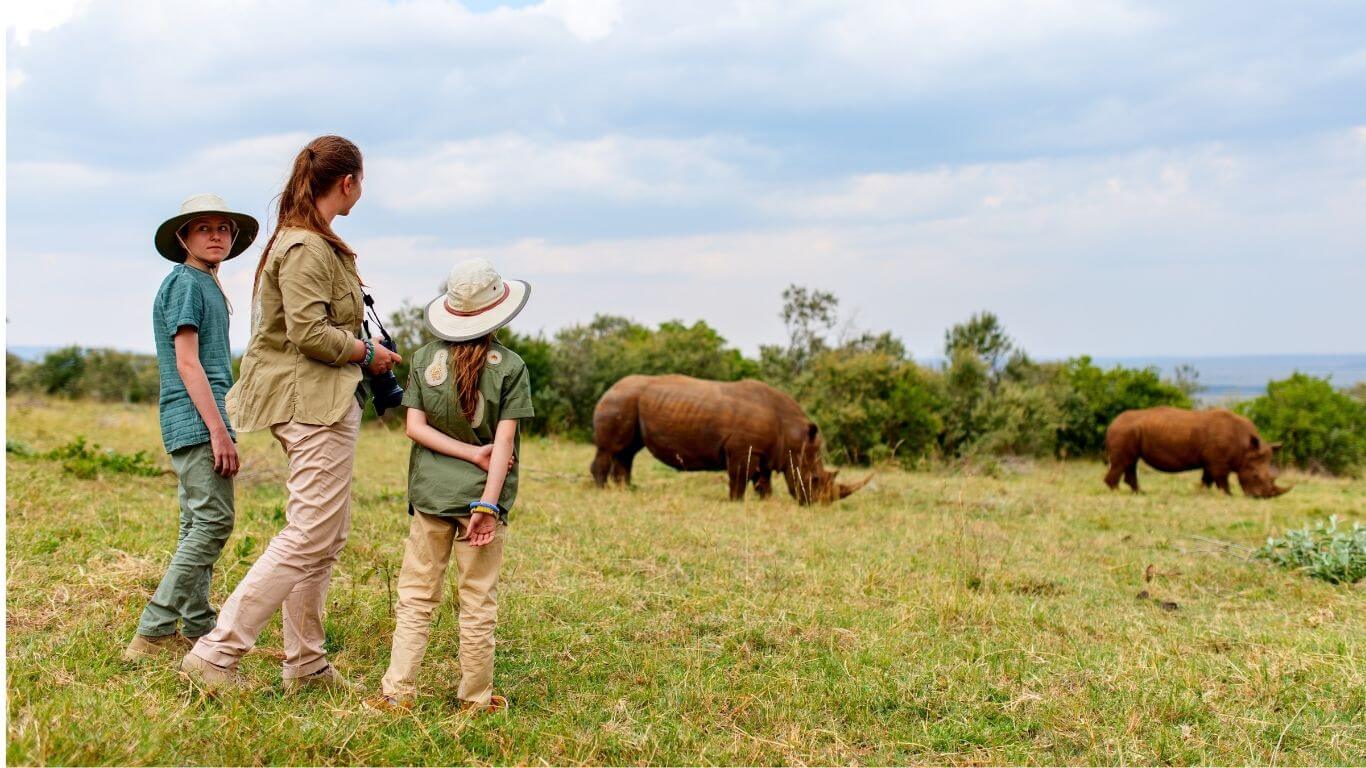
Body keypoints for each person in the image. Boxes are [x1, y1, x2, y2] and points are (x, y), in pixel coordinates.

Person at [180, 135, 402, 692]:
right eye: (361, 180)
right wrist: (368, 353)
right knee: (309, 535)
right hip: (311, 403)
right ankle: (217, 652)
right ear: (347, 182)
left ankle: (306, 664)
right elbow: (308, 333)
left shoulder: (312, 240)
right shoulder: (305, 246)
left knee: (325, 536)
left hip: (319, 399)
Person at [365, 258, 534, 714]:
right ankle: (475, 697)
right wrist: (488, 504)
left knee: (417, 595)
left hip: (431, 497)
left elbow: (414, 429)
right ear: (498, 309)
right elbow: (503, 446)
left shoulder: (424, 358)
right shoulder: (512, 366)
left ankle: (397, 692)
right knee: (478, 598)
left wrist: (462, 453)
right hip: (481, 501)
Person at [124, 194, 258, 662]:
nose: (216, 235)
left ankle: (199, 624)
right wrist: (220, 431)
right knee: (214, 522)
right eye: (204, 228)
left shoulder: (204, 283)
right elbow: (187, 363)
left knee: (194, 524)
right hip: (199, 419)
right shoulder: (186, 284)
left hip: (200, 418)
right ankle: (154, 629)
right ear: (184, 237)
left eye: (223, 228)